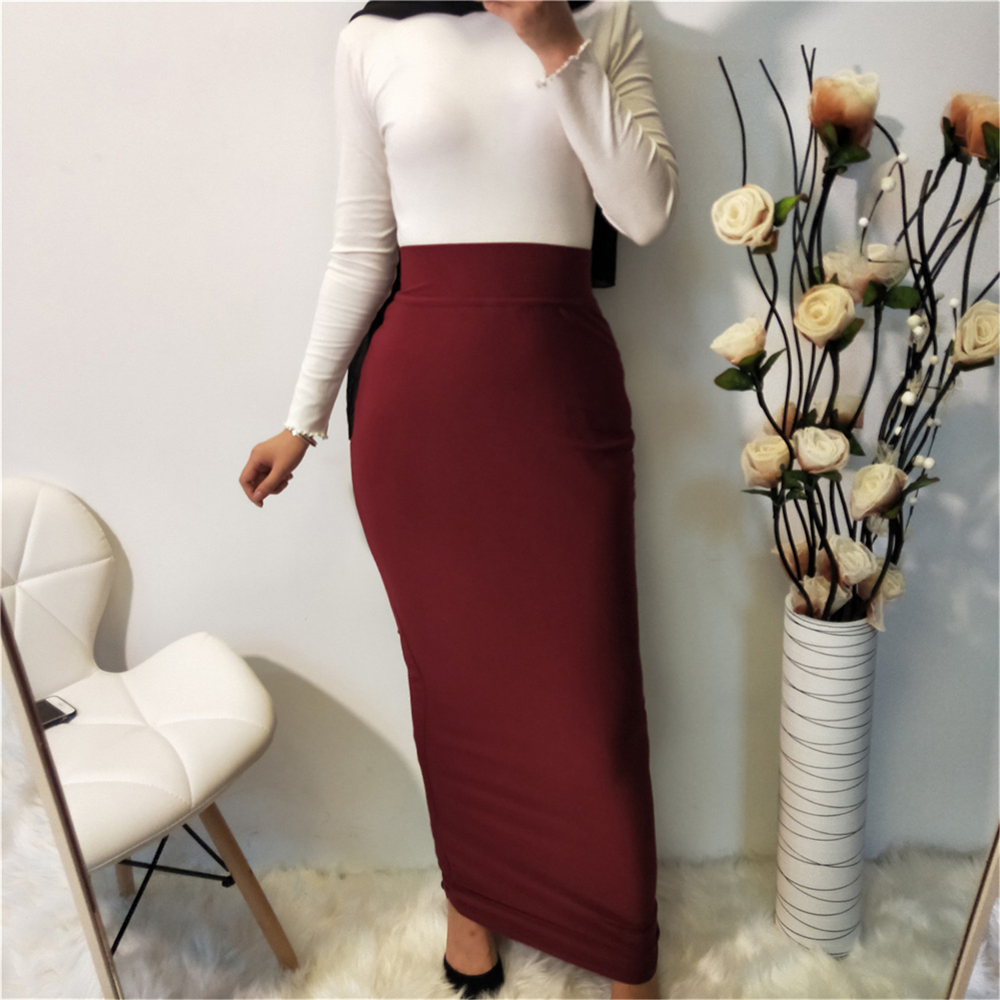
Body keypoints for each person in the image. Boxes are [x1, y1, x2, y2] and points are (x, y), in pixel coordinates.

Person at [239, 2, 678, 997]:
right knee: (455, 688)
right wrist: (302, 419)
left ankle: (622, 944)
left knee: (591, 691)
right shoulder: (372, 36)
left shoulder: (601, 16)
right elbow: (362, 249)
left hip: (559, 399)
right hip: (421, 420)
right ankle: (470, 900)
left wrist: (553, 41)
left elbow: (645, 212)